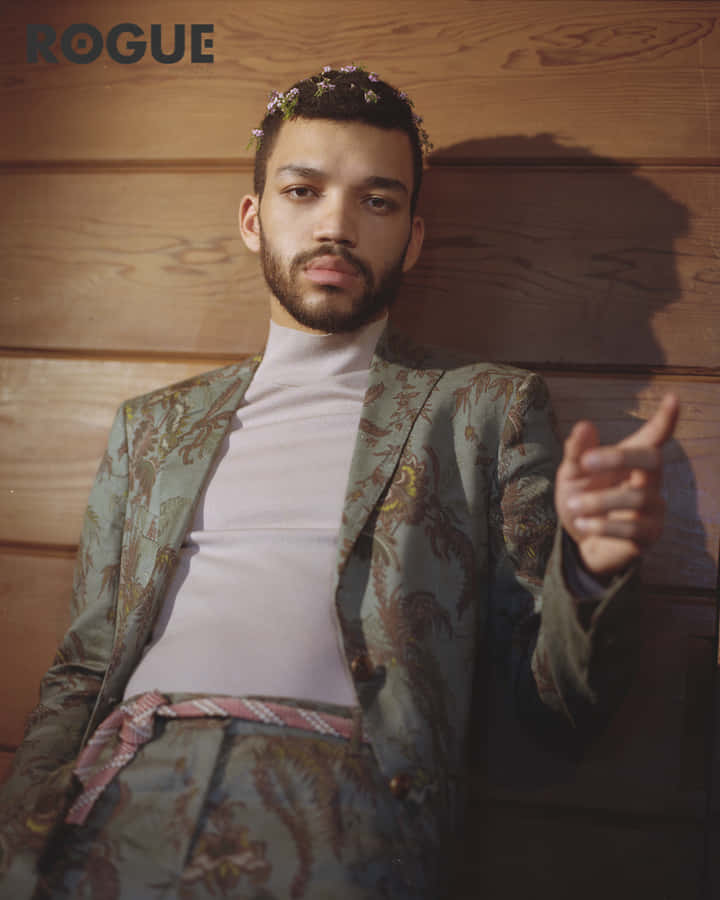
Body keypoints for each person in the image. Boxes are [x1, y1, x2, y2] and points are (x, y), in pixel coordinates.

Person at [0, 66, 678, 899]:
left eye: (378, 201)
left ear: (414, 238)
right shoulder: (153, 426)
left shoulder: (484, 407)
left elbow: (552, 708)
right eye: (303, 190)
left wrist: (592, 572)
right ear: (254, 218)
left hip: (344, 799)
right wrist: (19, 836)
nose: (337, 226)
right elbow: (85, 665)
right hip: (126, 784)